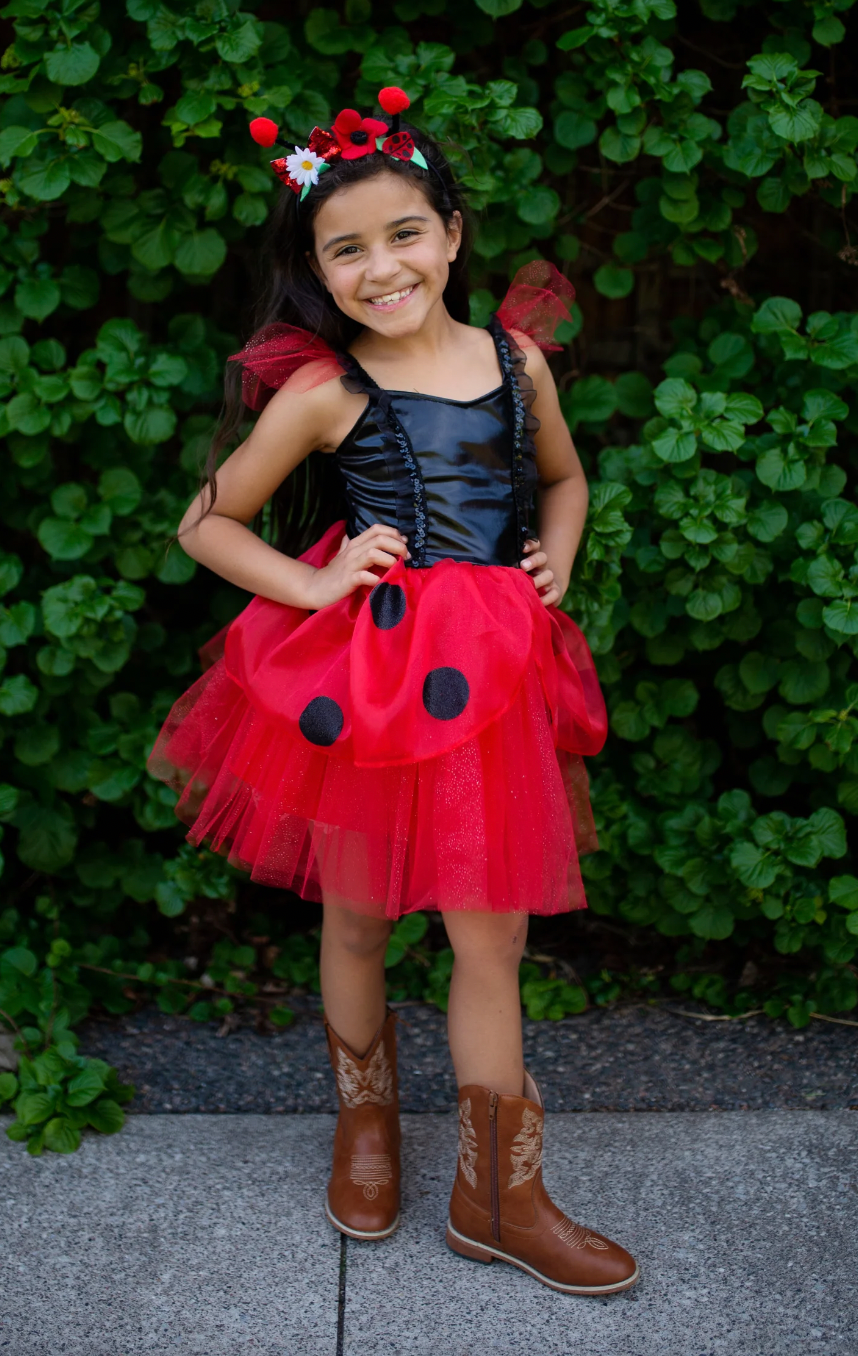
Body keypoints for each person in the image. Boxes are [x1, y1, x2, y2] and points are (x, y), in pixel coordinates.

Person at [148, 85, 638, 1296]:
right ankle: (366, 1123)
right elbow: (208, 524)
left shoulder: (516, 363)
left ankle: (499, 1193)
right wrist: (311, 594)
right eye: (347, 248)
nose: (382, 266)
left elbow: (565, 481)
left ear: (454, 236)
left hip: (493, 684)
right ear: (318, 268)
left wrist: (559, 552)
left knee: (493, 935)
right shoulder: (327, 391)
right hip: (369, 684)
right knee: (358, 913)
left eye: (404, 235)